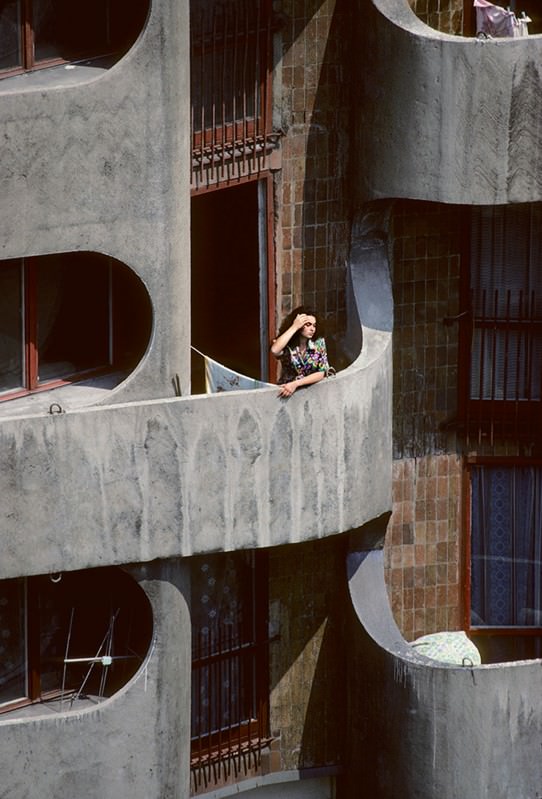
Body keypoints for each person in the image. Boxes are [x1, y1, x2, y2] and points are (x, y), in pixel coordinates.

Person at [270, 306, 331, 398]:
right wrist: (294, 327)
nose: (312, 329)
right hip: (286, 394)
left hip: (310, 393)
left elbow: (322, 372)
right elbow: (275, 350)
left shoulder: (318, 343)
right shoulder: (287, 344)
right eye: (308, 324)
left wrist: (296, 384)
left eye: (314, 325)